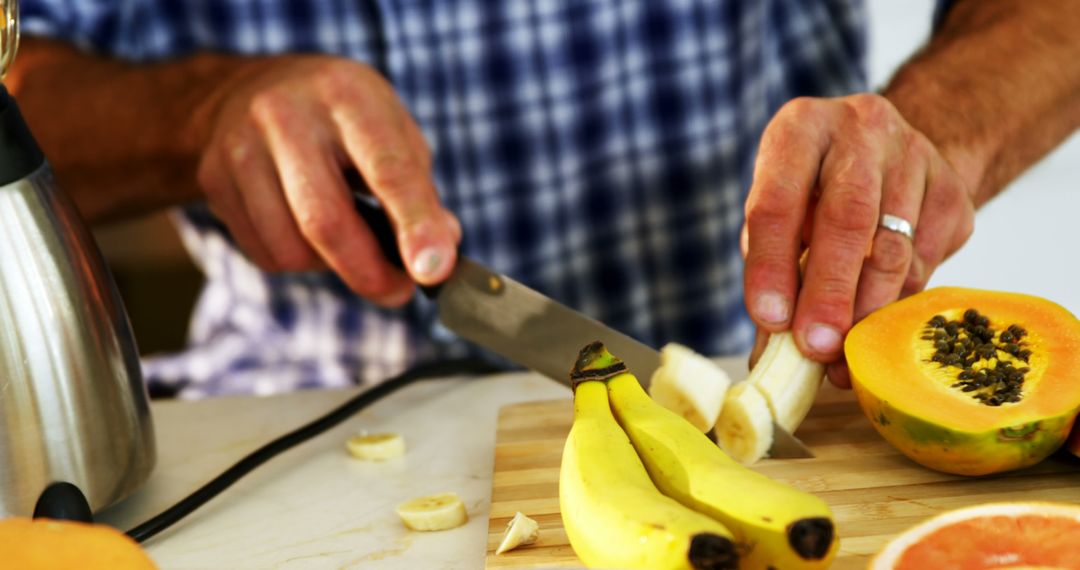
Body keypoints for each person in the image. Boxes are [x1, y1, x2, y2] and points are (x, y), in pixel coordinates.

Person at [8, 1, 1078, 398]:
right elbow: (18, 88)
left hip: (752, 374)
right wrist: (200, 112)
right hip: (298, 410)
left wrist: (930, 134)